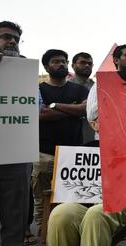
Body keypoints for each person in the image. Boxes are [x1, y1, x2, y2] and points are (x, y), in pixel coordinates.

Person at [47, 44, 126, 246]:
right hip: (87, 200)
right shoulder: (88, 149)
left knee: (96, 215)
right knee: (61, 214)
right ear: (94, 122)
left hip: (123, 203)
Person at [34, 49, 89, 233]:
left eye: (64, 61)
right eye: (56, 61)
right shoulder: (38, 89)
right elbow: (40, 114)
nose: (61, 64)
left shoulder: (80, 89)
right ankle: (45, 238)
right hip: (43, 154)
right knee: (42, 202)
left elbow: (85, 110)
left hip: (73, 155)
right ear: (46, 66)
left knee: (72, 201)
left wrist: (55, 106)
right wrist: (71, 109)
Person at [0, 21, 32, 246]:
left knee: (14, 221)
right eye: (6, 37)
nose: (12, 42)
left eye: (16, 39)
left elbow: (35, 109)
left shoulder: (24, 72)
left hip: (15, 157)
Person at [69, 52, 96, 144]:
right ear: (73, 65)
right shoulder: (65, 86)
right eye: (83, 63)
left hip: (93, 137)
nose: (87, 65)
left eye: (89, 63)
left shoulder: (97, 87)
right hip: (71, 138)